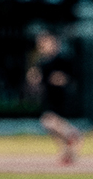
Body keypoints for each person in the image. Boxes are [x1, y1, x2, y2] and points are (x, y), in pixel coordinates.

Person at [26, 25, 83, 165]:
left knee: (48, 122)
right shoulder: (42, 62)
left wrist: (62, 80)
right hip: (50, 97)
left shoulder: (62, 59)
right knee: (52, 127)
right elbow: (36, 78)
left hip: (62, 97)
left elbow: (74, 76)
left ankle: (72, 134)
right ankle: (68, 153)